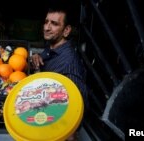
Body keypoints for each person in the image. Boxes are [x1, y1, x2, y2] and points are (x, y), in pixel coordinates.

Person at [31, 5, 88, 141]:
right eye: (46, 22)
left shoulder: (69, 64)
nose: (47, 28)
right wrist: (37, 62)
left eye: (54, 24)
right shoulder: (51, 47)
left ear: (66, 30)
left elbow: (74, 113)